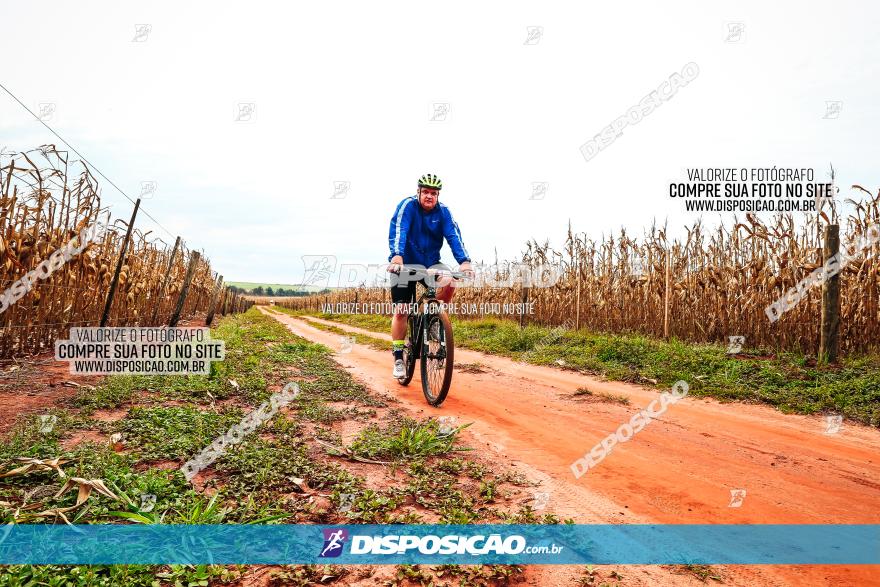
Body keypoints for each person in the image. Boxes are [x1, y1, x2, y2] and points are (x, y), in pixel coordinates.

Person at [387, 173, 473, 378]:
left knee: (451, 280)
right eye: (425, 192)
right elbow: (399, 229)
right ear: (418, 192)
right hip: (405, 264)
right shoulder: (407, 206)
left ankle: (435, 320)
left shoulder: (443, 212)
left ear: (438, 196)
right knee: (402, 310)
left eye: (433, 193)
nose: (429, 196)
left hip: (431, 263)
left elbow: (453, 235)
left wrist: (464, 262)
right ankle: (399, 357)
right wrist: (397, 256)